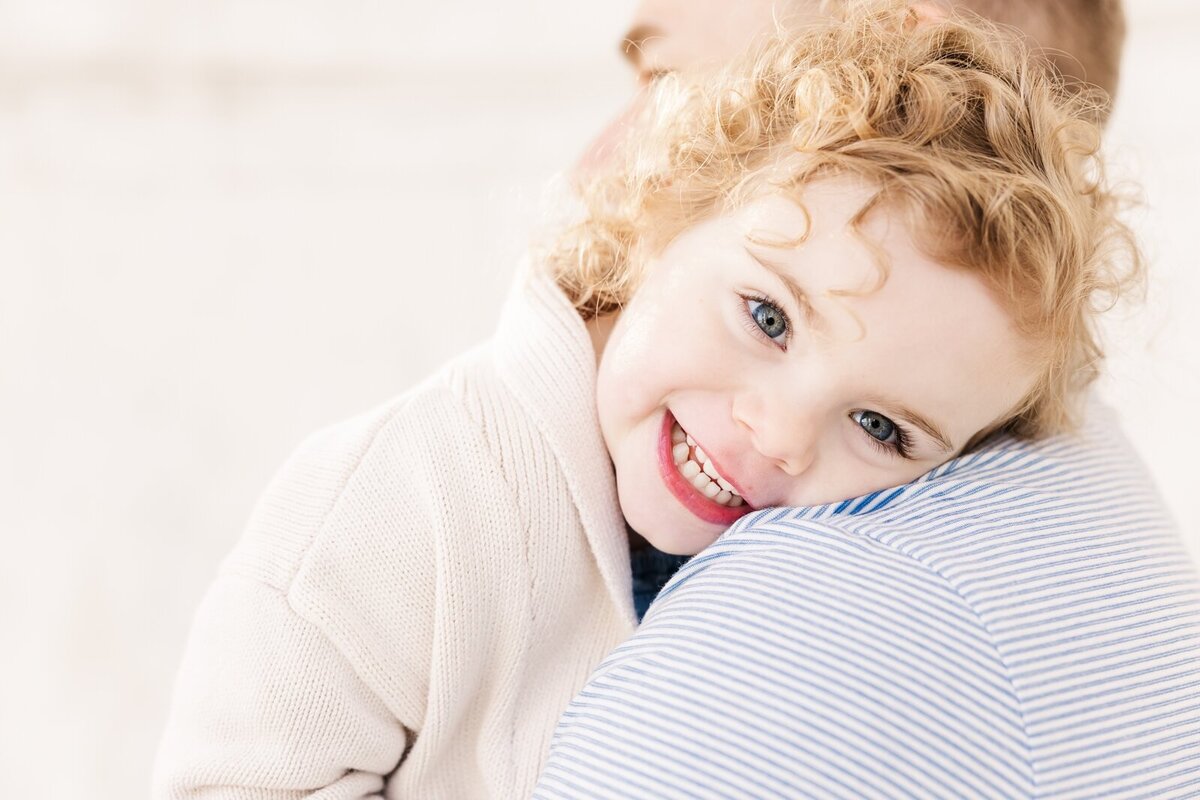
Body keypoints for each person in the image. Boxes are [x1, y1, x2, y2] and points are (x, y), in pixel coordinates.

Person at [154, 4, 1147, 800]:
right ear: (659, 214)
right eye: (767, 317)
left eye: (880, 426)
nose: (781, 433)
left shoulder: (835, 571)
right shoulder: (408, 501)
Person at [534, 3, 1200, 799]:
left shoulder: (780, 650)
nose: (601, 166)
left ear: (890, 57)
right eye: (766, 318)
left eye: (670, 87)